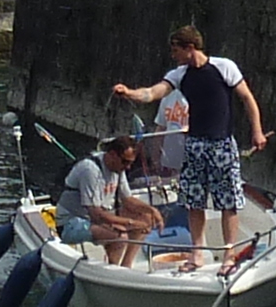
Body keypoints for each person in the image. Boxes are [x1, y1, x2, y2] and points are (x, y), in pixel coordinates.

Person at [128, 25, 264, 245]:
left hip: (222, 144)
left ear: (190, 47)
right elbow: (153, 93)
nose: (173, 56)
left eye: (176, 51)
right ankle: (197, 251)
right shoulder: (179, 75)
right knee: (194, 202)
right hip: (194, 145)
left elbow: (247, 98)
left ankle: (229, 251)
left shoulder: (224, 67)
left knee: (228, 202)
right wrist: (130, 93)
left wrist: (256, 131)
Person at [59, 131, 163, 266]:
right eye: (125, 162)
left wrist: (152, 210)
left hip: (99, 216)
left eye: (131, 163)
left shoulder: (118, 169)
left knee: (146, 218)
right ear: (112, 154)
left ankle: (126, 266)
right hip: (73, 222)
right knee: (120, 236)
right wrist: (130, 223)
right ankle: (113, 271)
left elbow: (127, 199)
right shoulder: (90, 170)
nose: (128, 167)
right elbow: (96, 214)